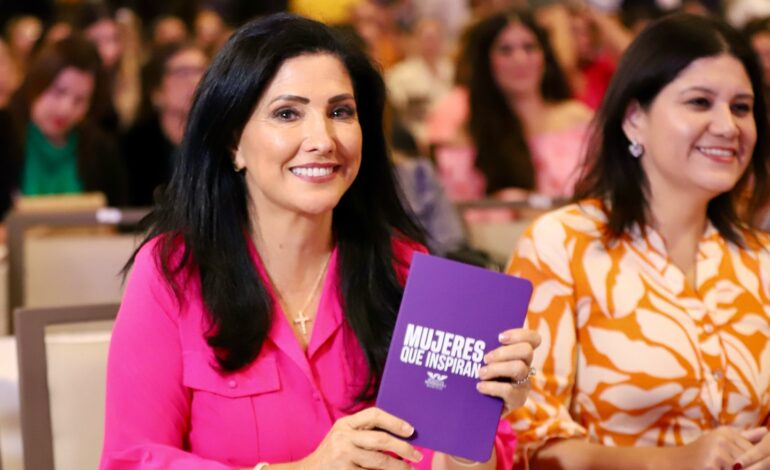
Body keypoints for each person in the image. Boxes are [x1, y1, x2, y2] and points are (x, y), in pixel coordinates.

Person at [100, 13, 539, 469]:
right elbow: (131, 460)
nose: (323, 139)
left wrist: (474, 421)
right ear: (234, 143)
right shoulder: (172, 273)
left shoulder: (405, 267)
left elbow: (450, 460)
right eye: (287, 113)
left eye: (340, 112)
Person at [506, 13, 770, 470]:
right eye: (700, 102)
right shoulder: (562, 245)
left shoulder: (759, 258)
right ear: (633, 119)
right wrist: (670, 461)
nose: (728, 126)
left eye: (742, 107)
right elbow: (526, 441)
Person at [426, 9, 592, 204]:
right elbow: (459, 209)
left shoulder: (578, 120)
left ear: (544, 56)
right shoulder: (466, 136)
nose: (520, 59)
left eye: (529, 47)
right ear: (486, 62)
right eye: (506, 50)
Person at [0, 34, 127, 220]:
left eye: (80, 100)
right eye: (58, 92)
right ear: (38, 81)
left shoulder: (101, 149)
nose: (65, 109)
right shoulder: (4, 130)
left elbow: (119, 218)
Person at [121, 42, 208, 206]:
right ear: (156, 91)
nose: (195, 81)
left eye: (201, 71)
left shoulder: (221, 140)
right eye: (182, 73)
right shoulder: (131, 147)